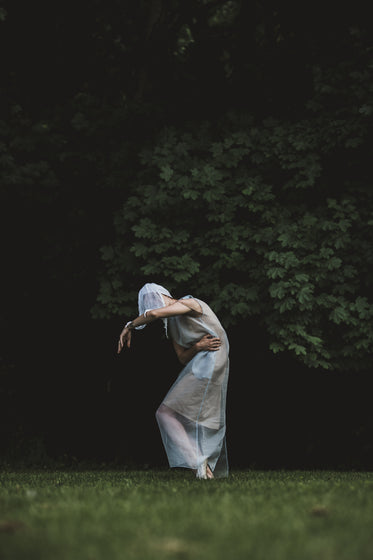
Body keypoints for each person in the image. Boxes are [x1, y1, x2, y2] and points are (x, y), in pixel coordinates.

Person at [117, 282, 230, 479]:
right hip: (199, 363)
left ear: (164, 296)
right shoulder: (172, 326)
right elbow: (183, 358)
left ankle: (201, 466)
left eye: (155, 300)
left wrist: (129, 325)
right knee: (166, 413)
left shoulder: (191, 303)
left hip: (212, 362)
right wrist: (197, 346)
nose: (153, 306)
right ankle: (201, 467)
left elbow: (152, 315)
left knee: (177, 414)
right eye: (148, 304)